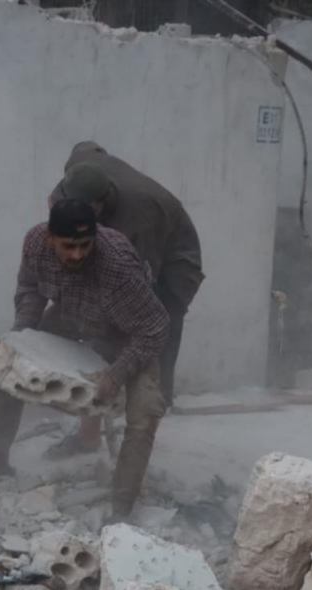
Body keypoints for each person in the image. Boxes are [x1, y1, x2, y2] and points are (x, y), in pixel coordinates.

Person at [0, 199, 169, 517]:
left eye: (85, 245)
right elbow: (29, 289)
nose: (77, 255)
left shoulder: (117, 265)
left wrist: (117, 373)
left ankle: (121, 508)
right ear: (50, 238)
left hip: (126, 330)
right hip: (73, 313)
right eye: (68, 246)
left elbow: (156, 327)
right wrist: (21, 338)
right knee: (14, 369)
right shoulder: (35, 244)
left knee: (145, 412)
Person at [52, 142, 204, 414]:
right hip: (124, 238)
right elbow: (87, 147)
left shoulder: (140, 216)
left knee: (157, 323)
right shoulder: (79, 173)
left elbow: (138, 285)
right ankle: (96, 416)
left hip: (173, 263)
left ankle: (154, 404)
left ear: (99, 204)